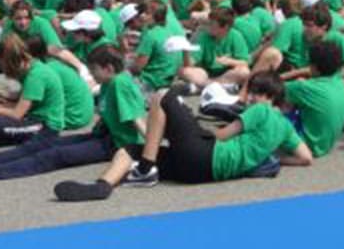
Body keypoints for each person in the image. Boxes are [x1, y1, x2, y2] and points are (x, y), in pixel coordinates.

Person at [52, 73, 312, 201]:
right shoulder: (286, 129)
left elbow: (222, 135)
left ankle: (145, 169)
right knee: (132, 148)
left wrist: (196, 127)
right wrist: (266, 156)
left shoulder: (260, 111)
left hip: (206, 155)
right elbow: (305, 158)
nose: (252, 97)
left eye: (257, 93)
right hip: (202, 173)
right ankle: (102, 186)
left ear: (270, 97)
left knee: (163, 96)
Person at [0, 47, 144, 187]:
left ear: (108, 69)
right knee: (43, 145)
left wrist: (149, 157)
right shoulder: (109, 83)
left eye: (94, 70)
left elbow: (136, 119)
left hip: (118, 146)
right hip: (103, 136)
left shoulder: (119, 84)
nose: (91, 75)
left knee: (52, 156)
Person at [283, 38, 344, 159]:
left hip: (308, 145)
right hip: (325, 144)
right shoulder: (338, 82)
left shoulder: (304, 87)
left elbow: (271, 88)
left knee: (270, 106)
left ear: (314, 66)